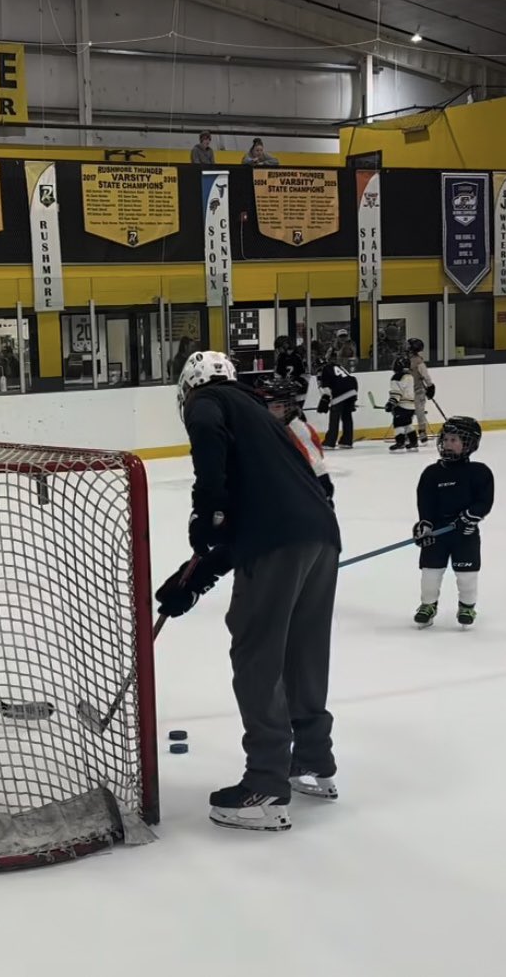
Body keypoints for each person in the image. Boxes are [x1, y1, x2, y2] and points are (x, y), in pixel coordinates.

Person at [154, 351, 342, 832]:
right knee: (303, 651)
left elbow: (213, 458)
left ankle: (265, 783)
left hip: (278, 541)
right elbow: (256, 513)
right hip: (319, 535)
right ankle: (313, 761)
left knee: (258, 654)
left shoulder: (209, 400)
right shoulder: (261, 416)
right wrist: (194, 578)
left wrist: (207, 507)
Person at [412, 416, 494, 628]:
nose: (448, 444)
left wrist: (469, 516)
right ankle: (428, 605)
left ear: (469, 444)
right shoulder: (431, 474)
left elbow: (484, 501)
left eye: (454, 440)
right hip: (437, 533)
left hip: (465, 533)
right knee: (430, 573)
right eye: (446, 439)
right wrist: (425, 525)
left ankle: (467, 606)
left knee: (467, 574)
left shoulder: (479, 472)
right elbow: (425, 503)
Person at [253, 375, 334, 503]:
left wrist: (324, 491)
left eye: (277, 407)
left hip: (301, 494)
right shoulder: (270, 426)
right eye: (267, 406)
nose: (270, 411)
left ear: (288, 406)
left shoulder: (297, 429)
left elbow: (315, 465)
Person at [316, 350, 357, 450]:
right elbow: (351, 378)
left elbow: (326, 389)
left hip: (340, 392)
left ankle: (329, 442)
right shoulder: (338, 366)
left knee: (334, 417)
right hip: (352, 390)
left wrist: (325, 400)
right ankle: (347, 441)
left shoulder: (324, 370)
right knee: (347, 416)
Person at [406, 338, 436, 443]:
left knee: (419, 411)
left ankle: (422, 431)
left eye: (408, 345)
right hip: (406, 391)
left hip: (418, 390)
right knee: (406, 412)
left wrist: (430, 386)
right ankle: (406, 432)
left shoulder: (418, 361)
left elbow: (425, 375)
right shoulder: (404, 359)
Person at [385, 356, 418, 452]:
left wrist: (391, 403)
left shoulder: (397, 377)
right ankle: (413, 441)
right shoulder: (410, 376)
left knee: (398, 423)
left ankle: (400, 442)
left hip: (402, 405)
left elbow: (397, 392)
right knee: (407, 423)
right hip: (411, 406)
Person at [273, 335, 309, 417]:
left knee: (292, 411)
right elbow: (303, 371)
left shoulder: (282, 357)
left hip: (293, 387)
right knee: (294, 411)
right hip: (293, 386)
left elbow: (279, 372)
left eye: (279, 348)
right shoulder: (296, 356)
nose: (278, 350)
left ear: (285, 346)